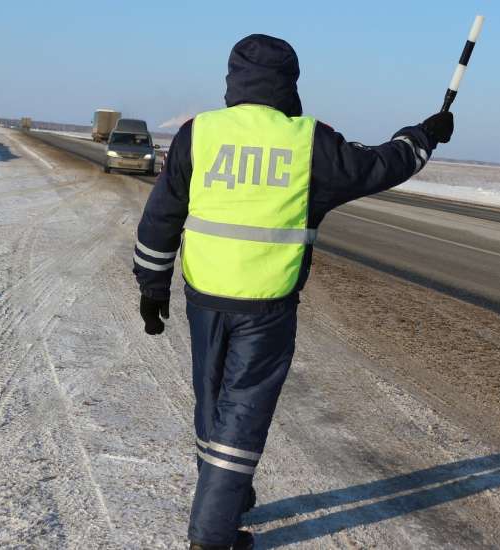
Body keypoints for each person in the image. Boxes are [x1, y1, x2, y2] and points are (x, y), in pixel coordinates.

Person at [132, 34, 454, 550]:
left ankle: (226, 498)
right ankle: (212, 535)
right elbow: (377, 165)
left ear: (232, 80)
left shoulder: (201, 133)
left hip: (205, 297)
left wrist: (152, 285)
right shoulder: (310, 142)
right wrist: (423, 137)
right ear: (290, 84)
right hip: (266, 305)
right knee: (242, 414)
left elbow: (162, 215)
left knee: (212, 403)